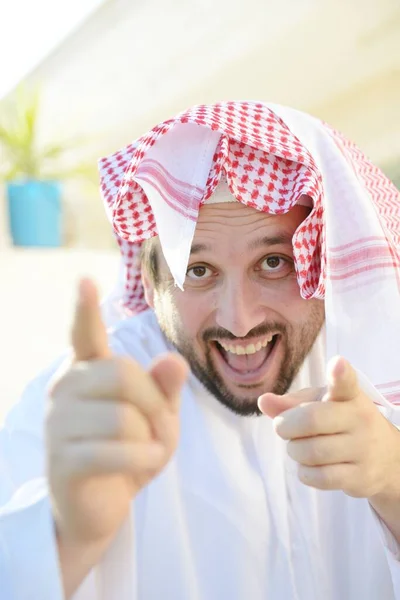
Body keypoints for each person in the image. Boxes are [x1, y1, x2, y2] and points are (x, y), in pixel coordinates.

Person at [1, 101, 400, 600]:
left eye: (274, 262)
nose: (239, 319)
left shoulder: (382, 368)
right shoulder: (78, 408)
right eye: (198, 270)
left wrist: (393, 479)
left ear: (323, 261)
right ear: (150, 284)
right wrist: (66, 533)